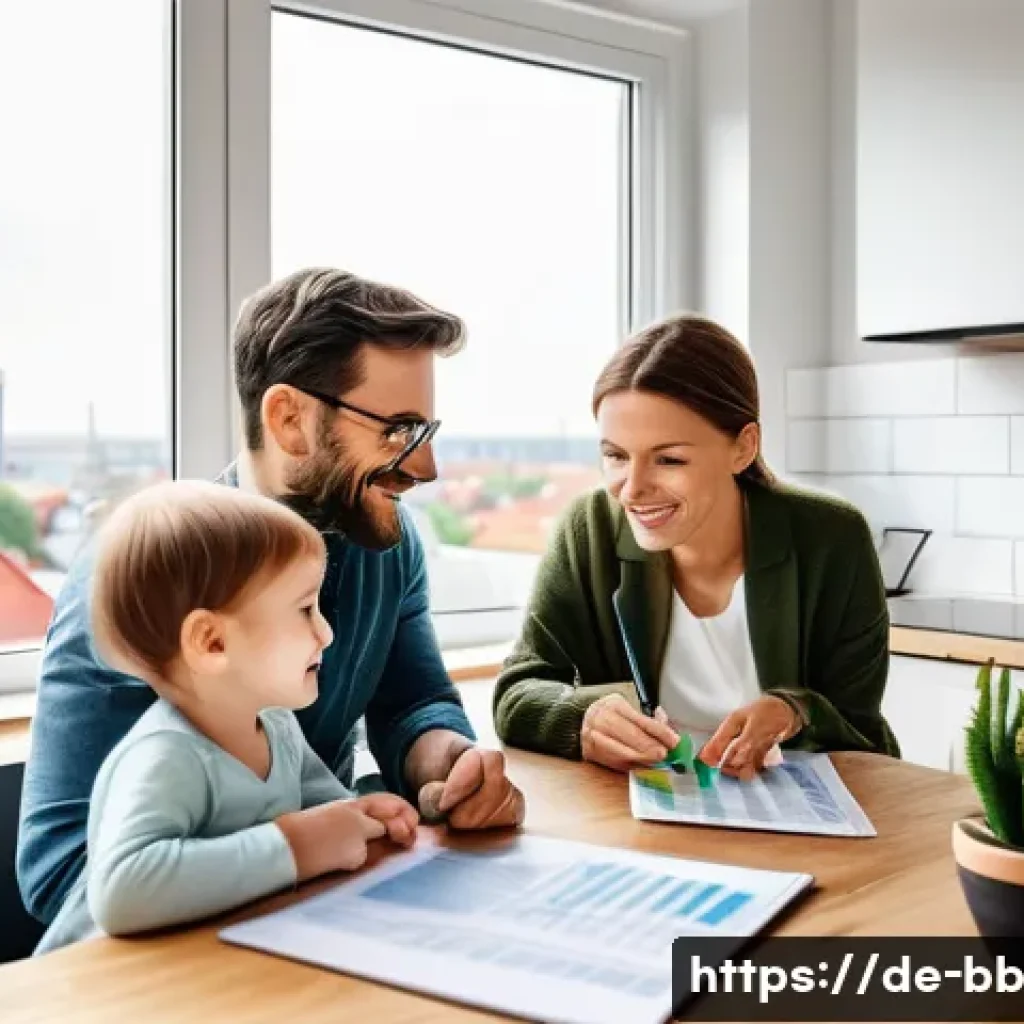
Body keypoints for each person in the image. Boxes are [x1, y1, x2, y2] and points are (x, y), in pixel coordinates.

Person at [19, 268, 525, 926]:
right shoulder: (148, 576)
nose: (426, 468)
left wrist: (449, 766)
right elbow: (65, 872)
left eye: (425, 432)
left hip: (316, 916)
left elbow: (414, 702)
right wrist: (298, 850)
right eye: (399, 430)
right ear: (289, 420)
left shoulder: (388, 543)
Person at [493, 313, 899, 779]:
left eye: (669, 459)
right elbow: (518, 692)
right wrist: (580, 716)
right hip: (648, 816)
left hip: (802, 816)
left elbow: (859, 724)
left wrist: (794, 711)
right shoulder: (588, 530)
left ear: (743, 447)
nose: (632, 489)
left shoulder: (831, 536)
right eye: (616, 456)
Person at [35, 482, 419, 954]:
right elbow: (123, 892)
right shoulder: (165, 756)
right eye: (304, 610)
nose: (326, 632)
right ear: (211, 642)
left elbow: (323, 809)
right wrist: (295, 847)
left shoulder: (277, 728)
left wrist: (364, 815)